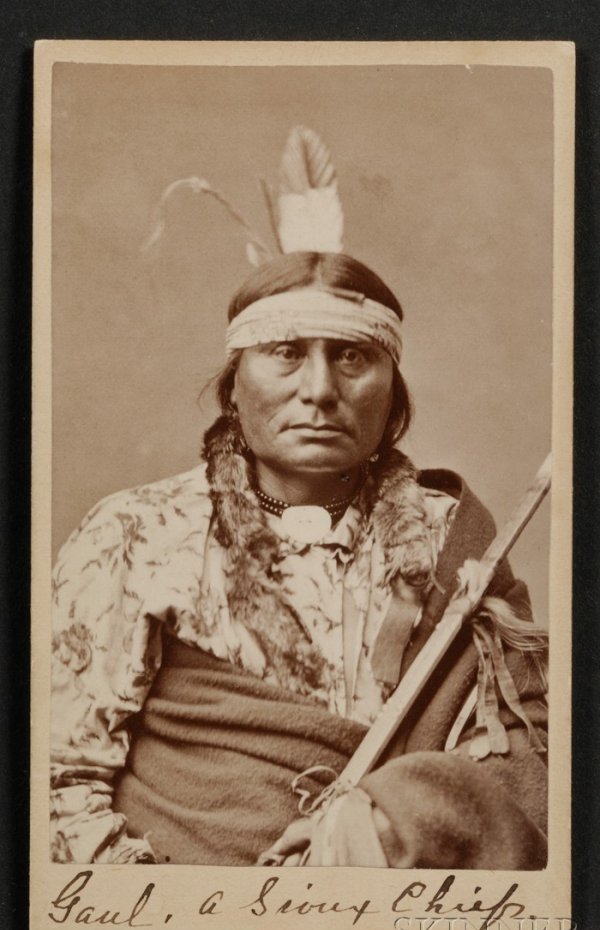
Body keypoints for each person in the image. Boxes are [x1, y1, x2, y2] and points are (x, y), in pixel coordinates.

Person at [50, 250, 548, 868]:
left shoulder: (447, 537)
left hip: (400, 906)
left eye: (352, 356)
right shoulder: (137, 534)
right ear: (234, 384)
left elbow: (519, 756)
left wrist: (382, 827)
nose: (319, 390)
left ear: (393, 391)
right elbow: (57, 780)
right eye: (286, 352)